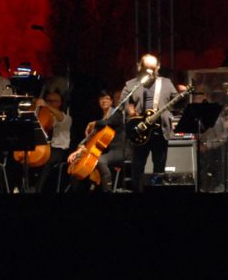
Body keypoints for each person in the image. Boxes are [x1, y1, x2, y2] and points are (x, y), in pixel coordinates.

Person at [121, 53, 178, 192]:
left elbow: (176, 102)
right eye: (146, 68)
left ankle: (156, 192)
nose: (150, 71)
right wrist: (132, 113)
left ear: (158, 67)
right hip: (141, 131)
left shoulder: (166, 82)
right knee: (137, 167)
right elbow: (125, 103)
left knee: (159, 168)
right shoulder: (131, 84)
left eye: (153, 68)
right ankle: (137, 191)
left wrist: (180, 97)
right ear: (139, 66)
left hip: (160, 131)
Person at [67, 89, 124, 192]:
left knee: (99, 162)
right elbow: (89, 139)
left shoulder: (117, 114)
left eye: (107, 98)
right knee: (77, 168)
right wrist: (78, 151)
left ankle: (108, 190)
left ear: (111, 102)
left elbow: (107, 122)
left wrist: (94, 123)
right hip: (103, 152)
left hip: (117, 151)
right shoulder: (100, 120)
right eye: (101, 98)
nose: (104, 101)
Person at [33, 89, 72, 193]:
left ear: (60, 103)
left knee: (47, 161)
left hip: (60, 150)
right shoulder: (43, 115)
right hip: (44, 148)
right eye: (48, 100)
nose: (50, 103)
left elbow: (59, 117)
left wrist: (46, 105)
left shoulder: (66, 118)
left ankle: (38, 190)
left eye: (53, 101)